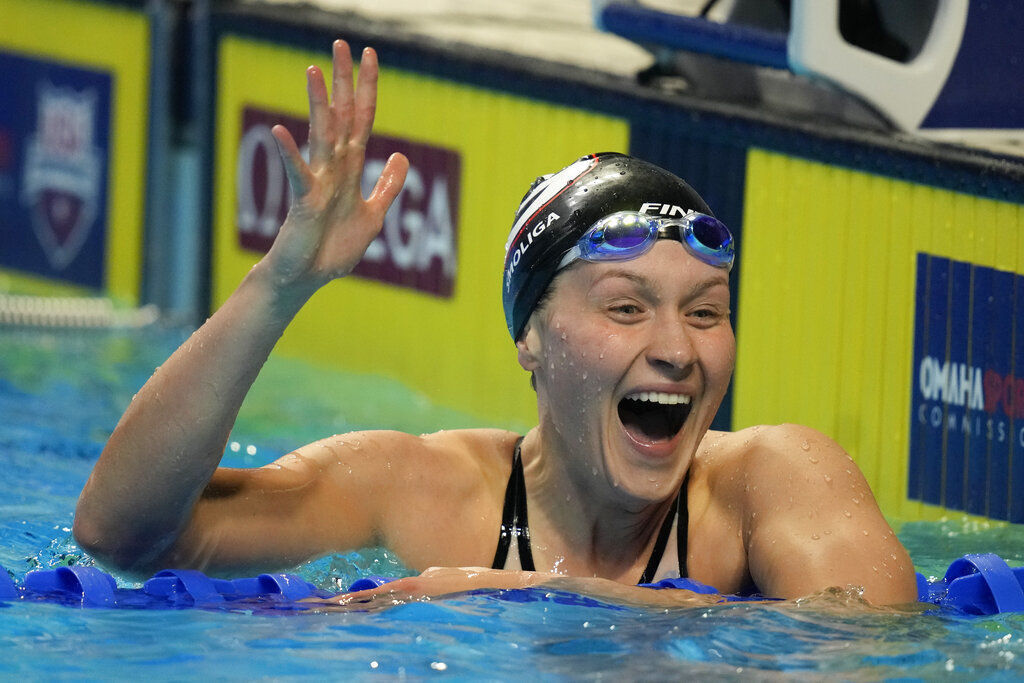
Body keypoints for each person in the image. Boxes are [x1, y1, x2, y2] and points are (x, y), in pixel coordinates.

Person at [73, 40, 918, 607]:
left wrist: (515, 592)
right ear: (531, 337)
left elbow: (868, 643)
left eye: (706, 313)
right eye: (627, 307)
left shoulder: (774, 479)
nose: (676, 349)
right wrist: (278, 287)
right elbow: (123, 538)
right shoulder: (417, 494)